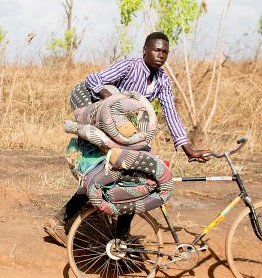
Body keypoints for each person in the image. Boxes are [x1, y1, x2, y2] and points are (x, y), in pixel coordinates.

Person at [44, 32, 210, 246]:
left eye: (165, 52)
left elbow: (171, 113)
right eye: (157, 50)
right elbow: (93, 79)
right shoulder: (130, 66)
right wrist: (112, 99)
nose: (161, 55)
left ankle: (120, 234)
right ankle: (60, 220)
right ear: (145, 50)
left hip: (124, 129)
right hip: (99, 115)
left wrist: (187, 148)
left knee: (137, 174)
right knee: (103, 172)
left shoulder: (162, 80)